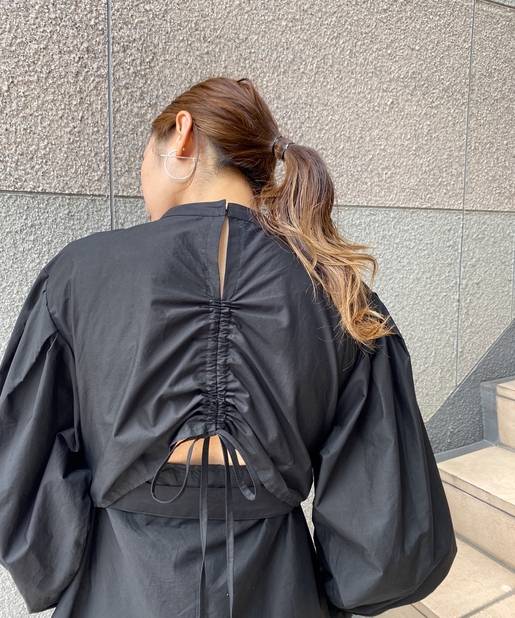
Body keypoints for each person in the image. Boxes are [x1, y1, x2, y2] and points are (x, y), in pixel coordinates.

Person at [0, 77, 456, 618]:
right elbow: (385, 514)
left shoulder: (78, 273)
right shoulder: (338, 290)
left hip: (119, 586)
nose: (142, 180)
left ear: (183, 136)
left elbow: (20, 458)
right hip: (279, 589)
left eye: (144, 157)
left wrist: (55, 564)